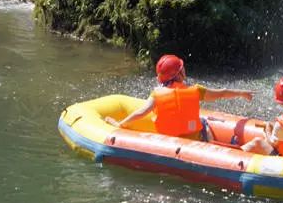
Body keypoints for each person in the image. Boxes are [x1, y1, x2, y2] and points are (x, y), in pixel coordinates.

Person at [105, 54, 253, 140]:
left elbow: (141, 112)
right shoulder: (196, 90)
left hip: (169, 138)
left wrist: (120, 124)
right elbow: (222, 93)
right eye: (182, 68)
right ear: (179, 74)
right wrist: (241, 93)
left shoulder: (157, 94)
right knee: (203, 122)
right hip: (194, 138)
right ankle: (214, 144)